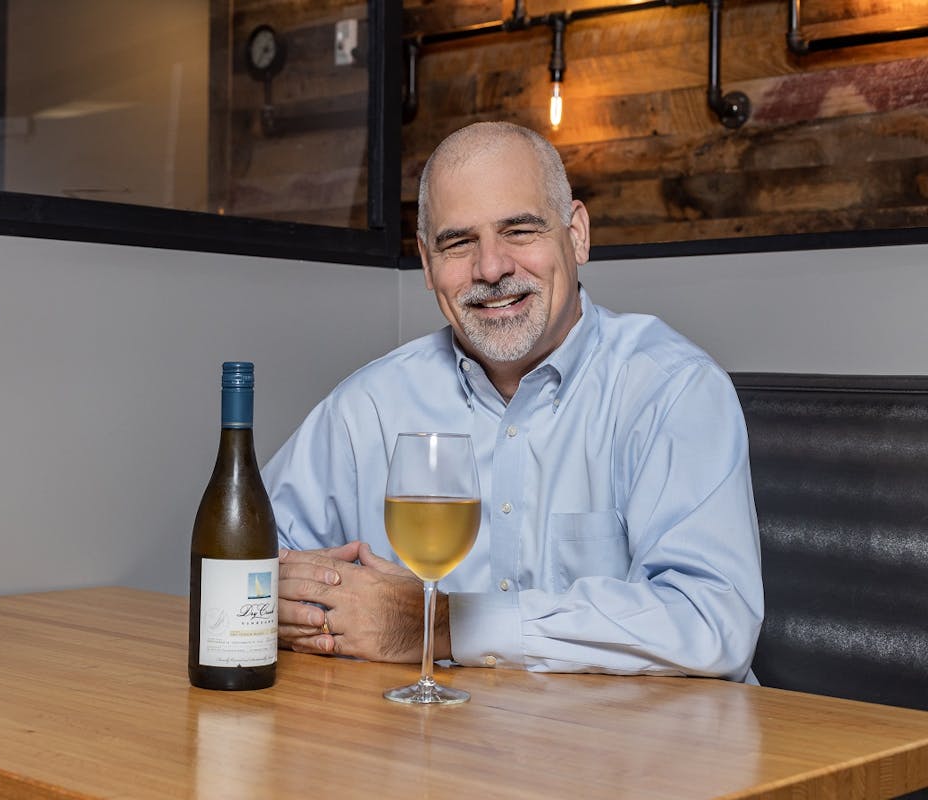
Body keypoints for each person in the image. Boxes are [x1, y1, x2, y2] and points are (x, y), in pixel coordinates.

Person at [261, 121, 763, 682]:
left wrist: (444, 625)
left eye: (520, 231)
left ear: (576, 235)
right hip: (430, 755)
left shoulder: (672, 390)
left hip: (632, 758)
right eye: (458, 243)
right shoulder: (368, 407)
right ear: (427, 265)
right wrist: (294, 597)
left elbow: (711, 622)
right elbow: (246, 561)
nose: (492, 268)